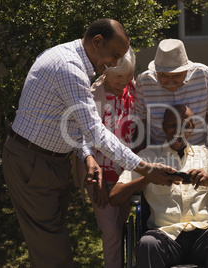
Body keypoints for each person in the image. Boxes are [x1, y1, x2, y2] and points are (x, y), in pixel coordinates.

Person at [2, 19, 179, 268]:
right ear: (97, 42)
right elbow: (95, 132)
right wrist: (145, 168)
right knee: (55, 253)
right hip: (33, 162)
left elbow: (69, 121)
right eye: (114, 55)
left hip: (49, 162)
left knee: (45, 248)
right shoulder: (69, 68)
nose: (116, 63)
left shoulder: (72, 60)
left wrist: (86, 156)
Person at [109, 104, 208, 268]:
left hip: (205, 234)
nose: (179, 131)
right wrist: (149, 177)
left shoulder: (207, 155)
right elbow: (115, 197)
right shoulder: (147, 157)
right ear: (163, 127)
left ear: (193, 127)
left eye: (185, 126)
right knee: (147, 244)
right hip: (164, 235)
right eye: (172, 125)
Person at [72, 46, 137, 268]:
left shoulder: (133, 89)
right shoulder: (93, 96)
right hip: (99, 174)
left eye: (129, 75)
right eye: (119, 76)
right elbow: (82, 138)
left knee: (122, 225)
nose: (125, 80)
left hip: (125, 174)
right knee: (110, 231)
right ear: (105, 71)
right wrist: (95, 180)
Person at [135, 38, 208, 149]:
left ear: (186, 71)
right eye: (164, 75)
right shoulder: (144, 81)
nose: (170, 82)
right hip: (158, 152)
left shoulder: (204, 75)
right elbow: (140, 121)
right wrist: (141, 154)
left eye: (176, 75)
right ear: (156, 72)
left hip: (198, 150)